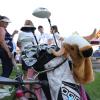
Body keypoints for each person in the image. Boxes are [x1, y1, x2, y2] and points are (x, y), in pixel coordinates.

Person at [17, 20, 41, 100]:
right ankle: (30, 94)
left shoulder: (21, 33)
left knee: (26, 73)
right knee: (32, 74)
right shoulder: (34, 34)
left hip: (24, 54)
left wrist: (22, 48)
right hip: (32, 54)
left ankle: (26, 93)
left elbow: (18, 44)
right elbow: (36, 45)